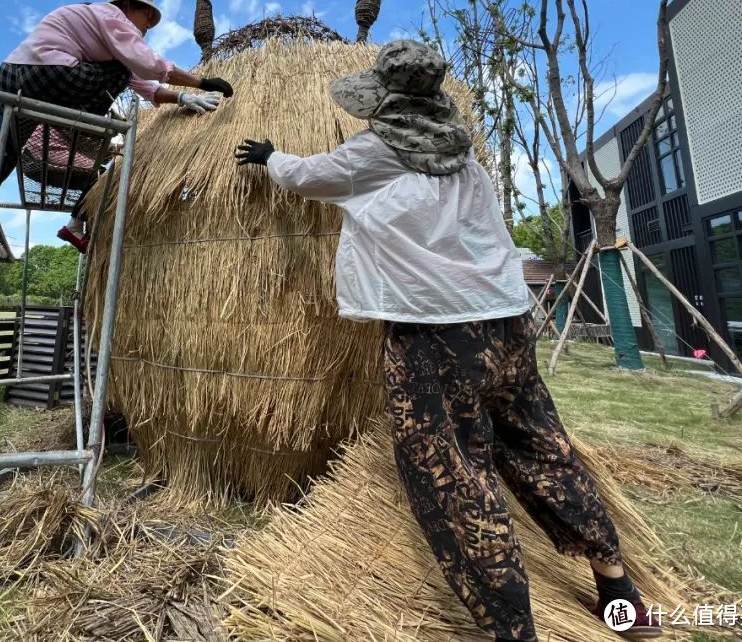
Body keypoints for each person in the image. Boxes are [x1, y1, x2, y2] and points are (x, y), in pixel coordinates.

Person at [234, 41, 660, 641]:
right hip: (507, 322)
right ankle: (620, 592)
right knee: (543, 447)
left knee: (453, 472)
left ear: (386, 101)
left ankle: (511, 628)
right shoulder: (465, 158)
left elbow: (313, 177)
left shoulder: (375, 148)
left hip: (433, 336)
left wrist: (274, 157)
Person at [0, 0, 233, 251]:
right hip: (53, 72)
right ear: (130, 6)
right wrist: (201, 83)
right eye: (147, 18)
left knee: (9, 143)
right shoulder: (112, 16)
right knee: (120, 72)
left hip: (11, 75)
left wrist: (181, 97)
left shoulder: (90, 31)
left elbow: (146, 88)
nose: (146, 28)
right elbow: (147, 65)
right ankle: (83, 129)